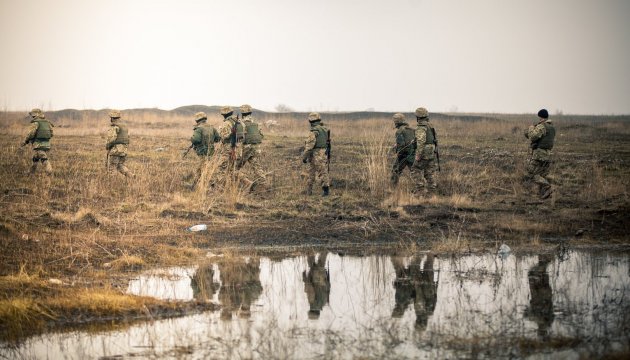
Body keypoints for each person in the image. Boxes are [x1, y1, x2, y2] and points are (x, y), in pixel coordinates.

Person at [524, 109, 555, 199]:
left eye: (539, 117)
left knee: (531, 173)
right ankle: (544, 195)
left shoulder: (542, 126)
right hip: (548, 154)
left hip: (539, 154)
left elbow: (533, 137)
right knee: (542, 175)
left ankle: (547, 187)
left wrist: (530, 128)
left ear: (541, 117)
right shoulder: (552, 127)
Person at [237, 104, 267, 189]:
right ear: (250, 112)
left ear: (242, 113)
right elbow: (261, 136)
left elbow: (239, 139)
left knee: (234, 168)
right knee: (257, 167)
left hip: (246, 148)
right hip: (257, 148)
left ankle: (247, 182)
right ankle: (263, 185)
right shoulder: (256, 123)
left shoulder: (241, 123)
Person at [189, 111, 220, 189]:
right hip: (211, 152)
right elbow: (218, 139)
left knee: (202, 168)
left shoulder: (199, 128)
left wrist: (192, 139)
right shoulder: (211, 127)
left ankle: (207, 185)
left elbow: (196, 140)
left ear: (197, 120)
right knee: (204, 168)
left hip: (202, 152)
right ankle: (196, 184)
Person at [390, 113, 421, 191]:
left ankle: (392, 190)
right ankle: (421, 189)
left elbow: (401, 145)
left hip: (403, 155)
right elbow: (416, 142)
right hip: (412, 154)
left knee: (395, 171)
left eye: (394, 121)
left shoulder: (399, 131)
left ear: (396, 122)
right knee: (415, 172)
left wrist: (396, 150)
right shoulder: (412, 129)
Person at [302, 112, 330, 196]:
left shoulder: (314, 131)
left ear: (311, 121)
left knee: (314, 172)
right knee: (322, 171)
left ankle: (324, 192)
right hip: (323, 153)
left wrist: (304, 156)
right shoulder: (324, 129)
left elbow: (310, 146)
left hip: (316, 154)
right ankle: (311, 192)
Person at [21, 108, 53, 175]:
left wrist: (25, 141)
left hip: (38, 143)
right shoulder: (47, 122)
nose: (32, 116)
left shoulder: (35, 123)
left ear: (35, 115)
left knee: (43, 156)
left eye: (33, 114)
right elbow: (51, 133)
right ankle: (31, 172)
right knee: (35, 157)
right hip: (47, 143)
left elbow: (31, 134)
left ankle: (49, 170)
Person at [413, 107, 438, 193]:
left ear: (418, 117)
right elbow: (434, 138)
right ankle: (432, 192)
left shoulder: (421, 127)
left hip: (425, 151)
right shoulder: (430, 126)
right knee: (429, 172)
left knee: (415, 169)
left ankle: (420, 191)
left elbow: (421, 141)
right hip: (431, 150)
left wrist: (418, 154)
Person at [217, 106, 244, 178]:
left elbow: (224, 137)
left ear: (224, 115)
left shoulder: (226, 123)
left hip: (228, 149)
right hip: (238, 148)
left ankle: (219, 185)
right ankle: (245, 183)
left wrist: (220, 132)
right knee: (233, 169)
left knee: (221, 168)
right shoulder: (239, 121)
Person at [105, 110, 133, 177]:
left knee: (112, 167)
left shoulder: (114, 126)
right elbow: (128, 137)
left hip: (116, 150)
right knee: (120, 165)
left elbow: (111, 139)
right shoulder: (124, 126)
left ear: (112, 118)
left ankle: (113, 183)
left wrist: (108, 146)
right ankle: (131, 176)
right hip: (124, 150)